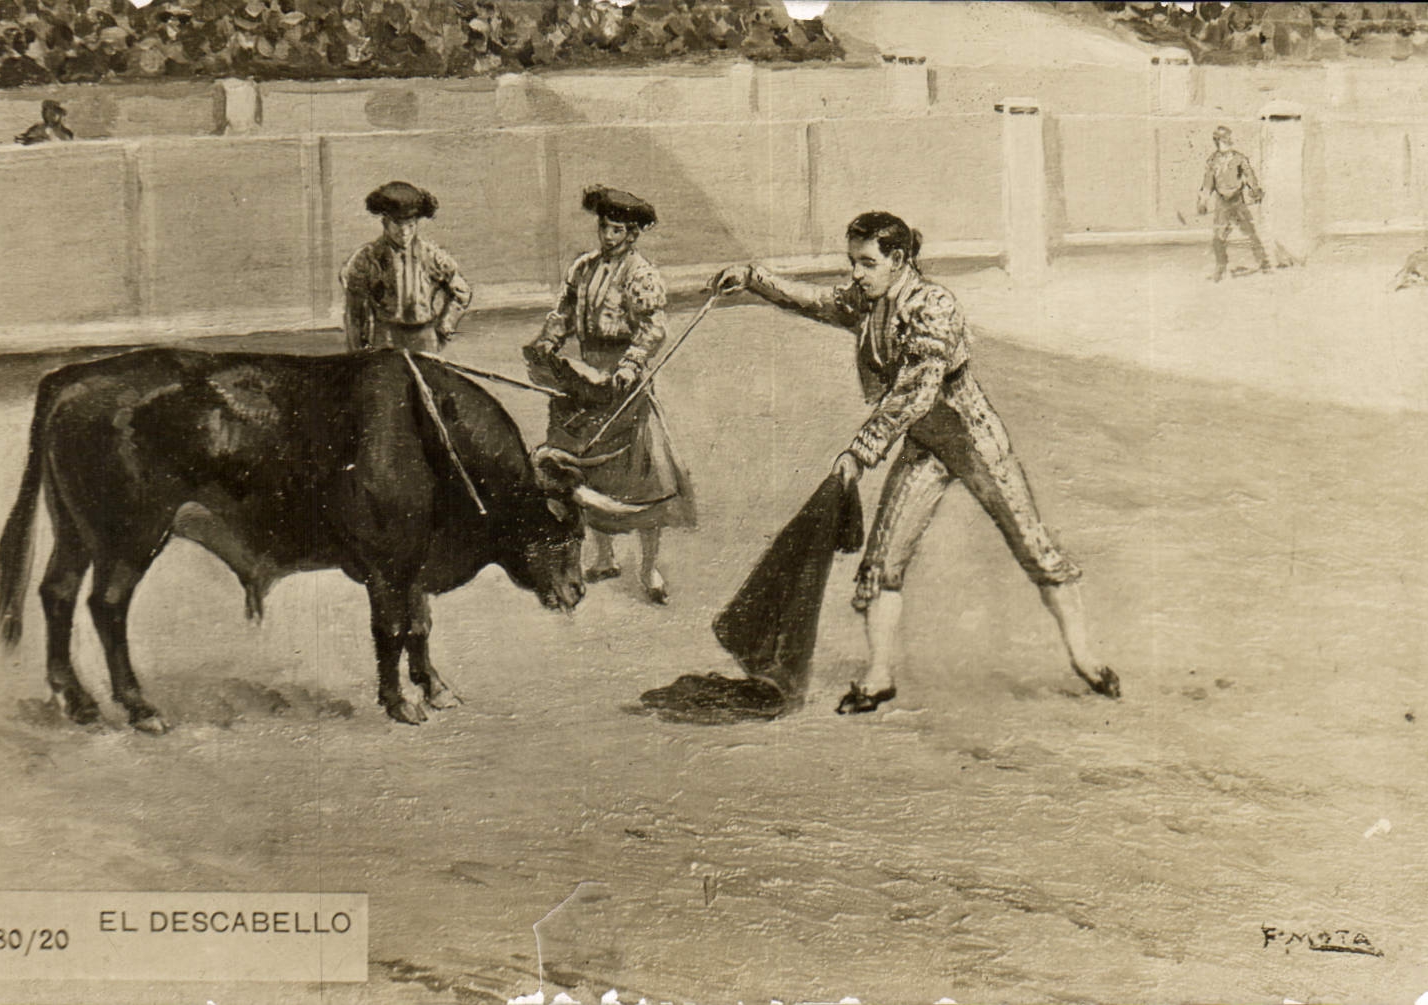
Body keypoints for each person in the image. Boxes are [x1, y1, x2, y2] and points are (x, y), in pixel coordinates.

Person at [711, 211, 1122, 714]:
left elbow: (916, 391)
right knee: (883, 559)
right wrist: (754, 280)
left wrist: (860, 454)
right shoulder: (868, 299)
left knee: (1032, 546)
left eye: (866, 263)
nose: (856, 274)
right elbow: (815, 301)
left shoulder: (935, 306)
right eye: (852, 262)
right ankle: (880, 675)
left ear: (899, 260)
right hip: (925, 447)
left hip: (973, 440)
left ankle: (1086, 658)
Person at [525, 185, 697, 604]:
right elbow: (563, 314)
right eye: (604, 227)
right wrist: (549, 339)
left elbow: (653, 327)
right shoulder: (583, 269)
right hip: (584, 380)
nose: (608, 236)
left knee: (641, 477)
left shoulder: (641, 275)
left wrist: (630, 363)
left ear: (633, 234)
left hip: (624, 387)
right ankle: (603, 557)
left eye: (617, 230)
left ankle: (649, 566)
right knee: (582, 468)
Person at [340, 181, 472, 354]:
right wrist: (357, 350)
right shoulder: (366, 258)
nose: (404, 233)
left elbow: (462, 292)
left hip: (424, 337)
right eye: (398, 225)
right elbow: (354, 311)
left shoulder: (432, 256)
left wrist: (446, 322)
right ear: (385, 223)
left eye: (410, 225)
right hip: (385, 337)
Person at [1197, 125, 1271, 281]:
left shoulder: (1239, 158)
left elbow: (1249, 175)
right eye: (1224, 138)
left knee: (1250, 232)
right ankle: (1220, 268)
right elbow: (1207, 183)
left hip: (1238, 201)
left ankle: (1264, 263)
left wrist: (1255, 190)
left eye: (1228, 137)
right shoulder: (1213, 161)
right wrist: (1203, 201)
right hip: (1222, 203)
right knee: (1219, 236)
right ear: (1217, 140)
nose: (1228, 140)